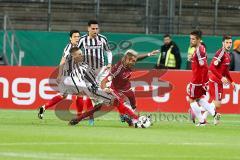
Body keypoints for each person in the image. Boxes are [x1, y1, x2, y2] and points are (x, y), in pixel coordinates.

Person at [38, 30, 85, 121]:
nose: (77, 38)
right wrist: (59, 75)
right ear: (70, 38)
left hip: (69, 76)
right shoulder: (69, 48)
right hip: (70, 76)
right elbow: (63, 61)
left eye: (78, 37)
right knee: (80, 93)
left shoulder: (76, 47)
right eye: (75, 37)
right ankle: (80, 116)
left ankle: (44, 107)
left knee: (63, 95)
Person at [76, 20, 113, 125]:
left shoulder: (103, 39)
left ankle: (123, 114)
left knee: (107, 91)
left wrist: (109, 63)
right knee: (91, 94)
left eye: (97, 28)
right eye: (93, 28)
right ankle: (90, 118)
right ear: (88, 29)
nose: (95, 30)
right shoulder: (83, 40)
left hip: (101, 69)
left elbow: (108, 51)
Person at [187, 30, 220, 126]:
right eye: (190, 39)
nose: (191, 41)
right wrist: (192, 59)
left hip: (197, 80)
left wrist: (202, 82)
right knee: (198, 99)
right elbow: (200, 62)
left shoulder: (199, 50)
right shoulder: (201, 48)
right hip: (200, 79)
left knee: (191, 100)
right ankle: (214, 114)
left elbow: (204, 66)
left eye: (193, 39)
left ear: (198, 40)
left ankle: (202, 121)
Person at [207, 35, 237, 118]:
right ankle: (200, 115)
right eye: (227, 42)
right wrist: (221, 77)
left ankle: (203, 118)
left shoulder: (228, 55)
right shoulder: (221, 53)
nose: (229, 44)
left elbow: (226, 71)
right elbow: (211, 67)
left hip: (219, 82)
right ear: (223, 43)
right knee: (217, 103)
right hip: (215, 81)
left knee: (217, 104)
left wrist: (232, 82)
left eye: (230, 42)